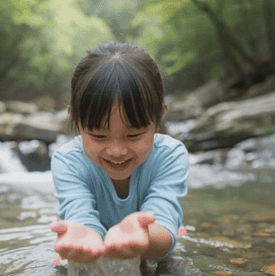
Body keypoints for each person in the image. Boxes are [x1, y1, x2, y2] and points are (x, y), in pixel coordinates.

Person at [50, 41, 189, 264]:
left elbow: (164, 224)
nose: (116, 151)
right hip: (96, 253)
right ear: (76, 120)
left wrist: (142, 235)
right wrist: (86, 237)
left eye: (133, 136)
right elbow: (80, 217)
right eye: (99, 136)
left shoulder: (170, 155)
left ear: (158, 119)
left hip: (150, 249)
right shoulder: (68, 161)